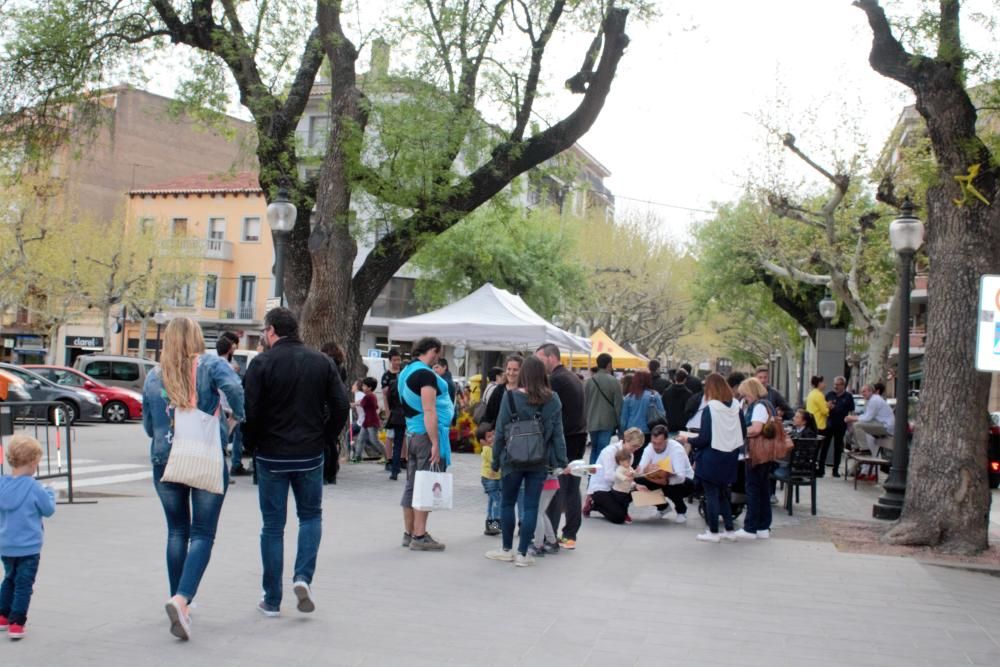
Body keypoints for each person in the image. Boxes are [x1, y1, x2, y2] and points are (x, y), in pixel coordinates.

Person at [243, 308, 350, 617]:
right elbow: (341, 404)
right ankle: (303, 577)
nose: (263, 335)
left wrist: (252, 445)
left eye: (264, 330)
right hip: (309, 452)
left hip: (271, 454)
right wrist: (326, 437)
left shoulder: (261, 363)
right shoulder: (322, 361)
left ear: (272, 330)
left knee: (273, 527)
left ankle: (272, 599)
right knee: (311, 517)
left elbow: (250, 409)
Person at [143, 316, 244, 640]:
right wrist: (238, 415)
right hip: (203, 455)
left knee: (176, 531)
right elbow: (235, 388)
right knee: (202, 533)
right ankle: (182, 598)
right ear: (197, 338)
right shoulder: (210, 365)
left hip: (165, 458)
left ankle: (178, 596)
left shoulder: (154, 375)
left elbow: (148, 425)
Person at [485, 356, 568, 567]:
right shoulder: (553, 399)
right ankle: (523, 553)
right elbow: (558, 435)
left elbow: (501, 432)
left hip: (511, 460)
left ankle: (506, 550)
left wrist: (495, 461)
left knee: (507, 503)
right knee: (531, 507)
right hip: (539, 461)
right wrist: (561, 461)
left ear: (522, 374)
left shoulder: (510, 397)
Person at [398, 337, 455, 552]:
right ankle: (420, 536)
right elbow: (429, 409)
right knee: (427, 484)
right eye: (438, 354)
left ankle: (409, 532)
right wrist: (435, 443)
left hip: (413, 433)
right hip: (426, 435)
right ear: (433, 351)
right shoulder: (425, 374)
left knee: (412, 484)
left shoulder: (406, 372)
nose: (438, 358)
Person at [0, 433, 56, 640]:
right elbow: (48, 510)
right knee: (24, 584)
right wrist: (50, 493)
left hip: (6, 544)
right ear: (33, 463)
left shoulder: (2, 484)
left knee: (9, 578)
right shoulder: (34, 487)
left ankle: (3, 615)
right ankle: (17, 622)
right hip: (29, 547)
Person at [677, 373, 745, 543]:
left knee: (712, 495)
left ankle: (713, 531)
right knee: (724, 494)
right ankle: (729, 529)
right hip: (730, 456)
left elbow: (704, 438)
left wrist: (687, 439)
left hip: (712, 457)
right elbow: (743, 432)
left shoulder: (711, 408)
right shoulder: (736, 406)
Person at [535, 343, 587, 551]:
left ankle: (551, 535)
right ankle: (569, 533)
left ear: (550, 357)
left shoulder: (556, 380)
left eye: (540, 359)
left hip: (566, 440)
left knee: (556, 488)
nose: (538, 364)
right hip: (578, 437)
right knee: (571, 488)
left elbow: (550, 415)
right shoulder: (571, 377)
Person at [733, 378, 775, 541]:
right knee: (763, 490)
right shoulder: (767, 404)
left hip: (755, 454)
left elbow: (756, 428)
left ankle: (750, 527)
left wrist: (740, 431)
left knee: (753, 489)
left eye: (745, 394)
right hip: (764, 454)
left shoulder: (758, 407)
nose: (744, 398)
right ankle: (763, 526)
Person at [634, 425, 695, 522]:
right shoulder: (649, 448)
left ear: (667, 440)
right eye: (654, 443)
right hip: (659, 478)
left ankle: (681, 511)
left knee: (673, 486)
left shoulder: (676, 449)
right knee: (636, 482)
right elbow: (639, 471)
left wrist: (666, 481)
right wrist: (646, 470)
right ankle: (663, 507)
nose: (656, 447)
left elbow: (681, 477)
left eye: (659, 443)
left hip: (684, 482)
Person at [586, 428, 644, 524]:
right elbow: (608, 476)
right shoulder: (610, 451)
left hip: (616, 488)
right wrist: (627, 479)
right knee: (619, 517)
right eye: (633, 446)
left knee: (639, 489)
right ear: (626, 440)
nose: (634, 450)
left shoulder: (631, 455)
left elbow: (627, 475)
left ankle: (620, 508)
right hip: (601, 488)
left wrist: (635, 484)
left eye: (637, 447)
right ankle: (594, 505)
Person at [619, 369, 665, 463]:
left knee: (631, 459)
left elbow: (623, 419)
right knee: (646, 458)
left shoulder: (629, 397)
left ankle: (632, 476)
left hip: (631, 432)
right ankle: (642, 476)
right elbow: (662, 413)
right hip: (648, 431)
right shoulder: (654, 395)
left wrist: (622, 434)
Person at [320, 341, 350, 485]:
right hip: (340, 408)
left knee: (325, 441)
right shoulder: (341, 368)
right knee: (331, 440)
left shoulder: (326, 366)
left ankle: (326, 473)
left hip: (328, 407)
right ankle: (332, 472)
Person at [584, 352, 623, 465]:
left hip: (591, 421)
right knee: (602, 451)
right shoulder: (614, 381)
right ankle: (599, 477)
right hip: (607, 422)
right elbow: (618, 405)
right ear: (609, 364)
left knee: (594, 450)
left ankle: (592, 477)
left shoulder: (588, 382)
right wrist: (620, 425)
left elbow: (585, 403)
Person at [846, 382, 894, 455]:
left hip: (886, 426)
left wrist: (852, 418)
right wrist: (853, 419)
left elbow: (867, 418)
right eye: (862, 392)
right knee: (855, 424)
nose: (862, 394)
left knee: (857, 425)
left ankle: (865, 449)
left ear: (871, 391)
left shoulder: (874, 400)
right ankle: (857, 447)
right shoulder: (872, 400)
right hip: (882, 424)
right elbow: (867, 417)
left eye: (864, 391)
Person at [381, 349, 407, 480]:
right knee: (391, 437)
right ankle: (390, 461)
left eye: (399, 359)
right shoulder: (386, 376)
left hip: (398, 413)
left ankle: (401, 460)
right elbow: (386, 397)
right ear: (390, 360)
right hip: (396, 413)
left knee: (400, 439)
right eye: (395, 359)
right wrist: (388, 412)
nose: (397, 362)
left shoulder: (402, 376)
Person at [824, 376, 854, 478]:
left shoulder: (848, 397)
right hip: (829, 424)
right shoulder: (829, 395)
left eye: (837, 384)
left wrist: (850, 426)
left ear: (843, 385)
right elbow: (823, 408)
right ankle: (821, 469)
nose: (835, 386)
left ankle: (835, 470)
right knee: (825, 446)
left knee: (838, 448)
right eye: (834, 384)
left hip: (841, 425)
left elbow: (851, 411)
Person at [483, 355, 523, 428]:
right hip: (499, 433)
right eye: (509, 369)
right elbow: (488, 415)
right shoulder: (499, 390)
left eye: (515, 370)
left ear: (522, 371)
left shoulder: (526, 391)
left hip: (519, 434)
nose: (511, 373)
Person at [352, 378, 384, 462]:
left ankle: (387, 456)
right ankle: (357, 457)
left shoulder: (369, 396)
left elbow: (360, 403)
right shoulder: (370, 396)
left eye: (364, 386)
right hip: (366, 421)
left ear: (369, 388)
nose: (362, 387)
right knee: (360, 439)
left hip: (372, 421)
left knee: (374, 440)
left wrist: (352, 404)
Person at [478, 423, 501, 536]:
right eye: (489, 437)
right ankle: (494, 526)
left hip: (495, 478)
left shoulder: (493, 448)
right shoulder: (487, 449)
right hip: (489, 479)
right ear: (483, 441)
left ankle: (489, 525)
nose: (493, 438)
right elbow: (496, 461)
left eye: (493, 435)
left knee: (492, 501)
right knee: (497, 500)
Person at [805, 375, 831, 477]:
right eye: (823, 382)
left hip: (812, 424)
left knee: (813, 449)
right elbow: (824, 411)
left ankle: (810, 468)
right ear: (819, 383)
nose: (825, 384)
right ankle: (817, 470)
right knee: (819, 450)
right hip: (820, 425)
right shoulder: (819, 395)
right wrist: (829, 408)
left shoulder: (811, 394)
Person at [661, 369, 693, 433]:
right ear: (685, 379)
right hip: (683, 424)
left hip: (669, 422)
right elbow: (689, 409)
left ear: (675, 378)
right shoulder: (689, 394)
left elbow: (663, 406)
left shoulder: (667, 391)